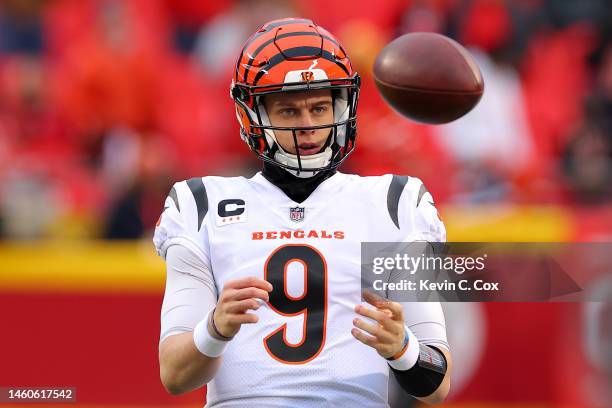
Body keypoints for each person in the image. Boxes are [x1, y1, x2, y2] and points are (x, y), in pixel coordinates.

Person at [154, 17, 452, 407]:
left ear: (342, 105)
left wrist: (403, 348)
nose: (308, 125)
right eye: (289, 112)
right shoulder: (201, 204)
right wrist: (215, 328)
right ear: (253, 114)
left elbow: (438, 381)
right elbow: (174, 375)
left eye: (319, 107)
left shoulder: (393, 203)